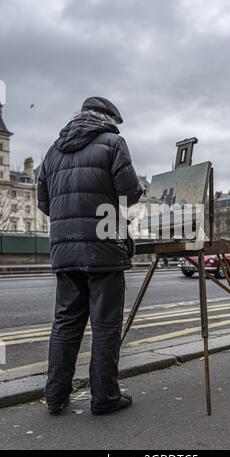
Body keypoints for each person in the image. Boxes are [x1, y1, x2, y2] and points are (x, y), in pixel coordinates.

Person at [38, 97, 142, 415]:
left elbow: (44, 201)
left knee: (66, 323)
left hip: (65, 249)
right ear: (107, 118)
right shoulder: (113, 143)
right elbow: (129, 192)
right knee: (106, 325)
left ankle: (55, 395)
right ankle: (105, 397)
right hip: (103, 248)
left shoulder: (53, 150)